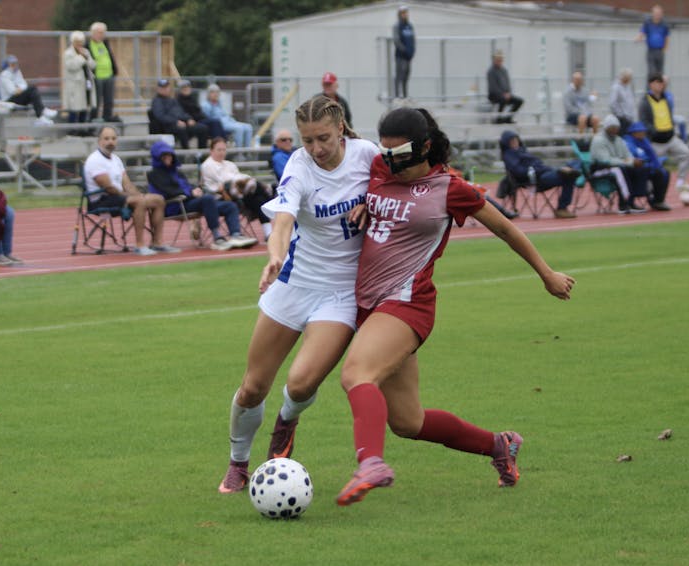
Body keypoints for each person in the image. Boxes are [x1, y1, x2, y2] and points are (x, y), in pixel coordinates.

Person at [334, 107, 574, 506]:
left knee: (357, 374)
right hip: (369, 306)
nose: (392, 163)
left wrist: (545, 273)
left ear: (425, 148)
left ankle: (370, 464)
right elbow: (369, 189)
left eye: (401, 156)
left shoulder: (449, 187)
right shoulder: (381, 166)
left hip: (407, 303)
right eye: (387, 154)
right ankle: (499, 445)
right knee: (408, 422)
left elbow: (505, 228)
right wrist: (363, 204)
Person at [216, 95, 379, 494]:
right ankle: (238, 463)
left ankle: (286, 423)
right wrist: (274, 256)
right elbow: (283, 220)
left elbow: (394, 191)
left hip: (341, 292)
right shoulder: (299, 166)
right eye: (308, 140)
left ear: (341, 128)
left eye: (323, 138)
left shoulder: (368, 155)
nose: (316, 149)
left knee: (302, 384)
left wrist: (372, 205)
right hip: (293, 284)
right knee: (253, 387)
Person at [83, 126, 179, 256]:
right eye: (106, 139)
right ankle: (140, 245)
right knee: (138, 201)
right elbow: (108, 187)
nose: (110, 142)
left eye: (113, 138)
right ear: (99, 141)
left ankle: (158, 243)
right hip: (101, 200)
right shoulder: (95, 160)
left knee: (158, 200)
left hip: (118, 196)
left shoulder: (116, 159)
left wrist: (138, 194)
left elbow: (126, 183)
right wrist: (134, 197)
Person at [146, 140, 259, 251]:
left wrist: (196, 189)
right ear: (157, 157)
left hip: (189, 202)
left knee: (229, 205)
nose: (168, 158)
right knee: (207, 199)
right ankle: (217, 238)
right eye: (164, 156)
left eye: (170, 155)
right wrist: (191, 193)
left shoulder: (177, 172)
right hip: (175, 205)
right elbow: (169, 191)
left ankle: (236, 235)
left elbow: (187, 186)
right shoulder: (154, 174)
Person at [200, 137, 273, 241]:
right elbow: (225, 181)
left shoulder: (230, 164)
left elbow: (239, 179)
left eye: (224, 150)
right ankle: (269, 195)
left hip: (238, 194)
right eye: (219, 150)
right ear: (211, 150)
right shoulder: (207, 165)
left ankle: (268, 233)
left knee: (258, 200)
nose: (222, 152)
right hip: (222, 196)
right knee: (257, 191)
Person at [639, 73, 689, 203]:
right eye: (657, 82)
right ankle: (650, 191)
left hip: (670, 138)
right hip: (656, 141)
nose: (660, 85)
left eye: (661, 83)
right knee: (652, 166)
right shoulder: (645, 101)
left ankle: (681, 181)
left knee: (687, 154)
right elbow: (644, 121)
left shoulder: (667, 98)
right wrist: (654, 132)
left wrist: (671, 129)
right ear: (651, 84)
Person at [499, 129, 579, 219]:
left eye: (516, 139)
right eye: (512, 140)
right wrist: (538, 169)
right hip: (536, 179)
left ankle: (570, 169)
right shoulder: (509, 155)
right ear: (506, 143)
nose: (515, 142)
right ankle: (562, 208)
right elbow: (520, 172)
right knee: (568, 176)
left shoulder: (523, 151)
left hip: (544, 172)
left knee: (574, 165)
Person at [589, 114, 647, 214]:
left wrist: (633, 162)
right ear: (606, 127)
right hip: (599, 170)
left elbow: (627, 155)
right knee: (619, 170)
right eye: (612, 128)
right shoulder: (598, 140)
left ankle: (632, 200)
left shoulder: (619, 140)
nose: (615, 130)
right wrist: (628, 162)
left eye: (617, 128)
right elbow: (605, 160)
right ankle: (624, 204)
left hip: (616, 166)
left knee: (638, 169)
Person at [623, 122, 671, 210]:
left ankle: (658, 200)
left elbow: (652, 155)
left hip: (647, 166)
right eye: (640, 132)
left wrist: (657, 166)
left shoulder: (644, 141)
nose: (643, 133)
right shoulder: (628, 142)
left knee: (664, 172)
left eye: (643, 131)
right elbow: (634, 156)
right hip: (633, 168)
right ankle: (632, 200)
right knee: (649, 172)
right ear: (633, 133)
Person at [150, 79, 209, 149]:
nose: (165, 89)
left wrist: (188, 119)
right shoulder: (157, 101)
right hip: (168, 126)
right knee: (181, 129)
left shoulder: (172, 100)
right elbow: (160, 116)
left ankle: (201, 154)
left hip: (181, 123)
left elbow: (181, 112)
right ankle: (186, 152)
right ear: (158, 89)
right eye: (163, 88)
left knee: (202, 128)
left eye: (167, 87)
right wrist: (175, 122)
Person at [0, 55, 56, 124]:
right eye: (12, 64)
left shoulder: (16, 72)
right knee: (32, 89)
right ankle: (41, 113)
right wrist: (21, 89)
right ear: (7, 65)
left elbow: (24, 85)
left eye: (15, 63)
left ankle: (41, 115)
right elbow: (13, 91)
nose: (15, 65)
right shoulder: (4, 75)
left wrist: (21, 89)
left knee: (33, 92)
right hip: (8, 100)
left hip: (17, 97)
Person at [201, 84, 253, 149]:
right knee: (239, 128)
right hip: (220, 124)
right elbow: (208, 119)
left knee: (248, 127)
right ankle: (239, 152)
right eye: (213, 92)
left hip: (229, 122)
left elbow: (225, 114)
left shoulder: (219, 103)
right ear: (208, 94)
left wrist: (232, 120)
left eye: (217, 92)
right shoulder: (205, 105)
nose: (215, 94)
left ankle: (247, 151)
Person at [87, 22, 119, 122]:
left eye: (103, 33)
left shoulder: (105, 43)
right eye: (99, 32)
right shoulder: (88, 45)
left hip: (109, 75)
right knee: (96, 101)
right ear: (93, 33)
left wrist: (114, 69)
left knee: (109, 100)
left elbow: (109, 57)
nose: (102, 35)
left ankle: (107, 118)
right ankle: (93, 119)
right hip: (97, 77)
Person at [62, 31, 97, 125]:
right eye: (77, 42)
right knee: (74, 107)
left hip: (86, 83)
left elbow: (93, 65)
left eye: (81, 41)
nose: (79, 44)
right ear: (72, 42)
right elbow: (71, 66)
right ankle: (72, 128)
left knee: (85, 106)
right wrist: (81, 57)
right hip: (75, 85)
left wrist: (87, 57)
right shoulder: (68, 53)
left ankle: (82, 128)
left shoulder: (85, 51)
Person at [486, 50, 523, 123]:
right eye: (498, 60)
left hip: (505, 94)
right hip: (494, 95)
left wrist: (508, 93)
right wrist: (502, 94)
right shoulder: (491, 72)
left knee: (519, 101)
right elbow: (493, 87)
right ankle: (498, 119)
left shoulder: (504, 70)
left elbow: (507, 83)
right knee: (502, 99)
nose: (500, 61)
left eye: (501, 60)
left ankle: (508, 118)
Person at [637, 5, 669, 78]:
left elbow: (667, 38)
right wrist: (639, 37)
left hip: (660, 50)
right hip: (651, 50)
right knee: (651, 71)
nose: (658, 15)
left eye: (659, 14)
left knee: (660, 72)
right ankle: (650, 88)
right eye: (656, 13)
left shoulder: (664, 25)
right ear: (653, 14)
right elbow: (642, 32)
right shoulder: (647, 23)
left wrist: (664, 50)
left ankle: (660, 88)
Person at [392, 5, 415, 98]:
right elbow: (396, 41)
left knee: (406, 76)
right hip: (400, 56)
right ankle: (398, 96)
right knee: (399, 75)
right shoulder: (397, 26)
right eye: (403, 13)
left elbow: (413, 40)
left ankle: (405, 95)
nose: (405, 14)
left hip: (409, 56)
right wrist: (404, 50)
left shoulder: (409, 26)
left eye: (406, 12)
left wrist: (412, 51)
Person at [609, 68, 637, 134]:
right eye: (628, 78)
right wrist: (621, 115)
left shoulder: (629, 87)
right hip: (622, 119)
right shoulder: (616, 87)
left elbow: (631, 101)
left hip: (630, 117)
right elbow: (612, 103)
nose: (630, 80)